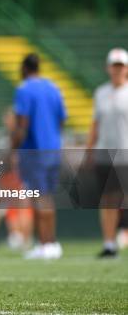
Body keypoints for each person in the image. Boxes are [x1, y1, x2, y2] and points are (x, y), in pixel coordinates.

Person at [11, 53, 66, 260]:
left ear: (24, 68)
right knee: (47, 197)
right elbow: (61, 120)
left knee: (38, 198)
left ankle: (45, 244)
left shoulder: (24, 89)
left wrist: (13, 149)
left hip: (34, 151)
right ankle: (51, 242)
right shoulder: (53, 87)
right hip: (53, 149)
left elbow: (22, 125)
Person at [86, 48, 128, 258]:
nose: (117, 70)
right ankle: (110, 243)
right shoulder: (101, 93)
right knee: (108, 200)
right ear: (108, 68)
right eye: (114, 65)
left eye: (121, 66)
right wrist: (89, 150)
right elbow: (95, 124)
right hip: (105, 153)